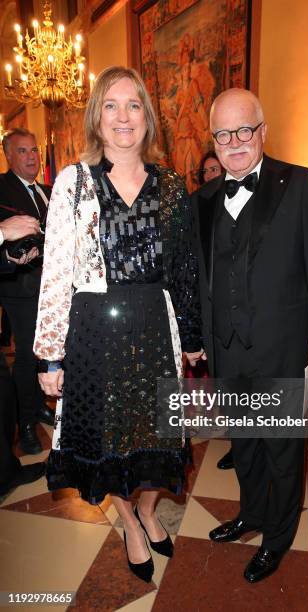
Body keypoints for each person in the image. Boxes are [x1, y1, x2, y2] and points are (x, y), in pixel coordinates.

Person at [34, 66, 203, 583]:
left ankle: (148, 509)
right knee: (109, 440)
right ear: (96, 117)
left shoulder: (172, 184)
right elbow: (57, 269)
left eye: (133, 105)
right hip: (94, 332)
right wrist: (50, 355)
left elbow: (185, 270)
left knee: (160, 436)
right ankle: (129, 519)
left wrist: (192, 338)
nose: (123, 116)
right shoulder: (74, 182)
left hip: (156, 326)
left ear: (147, 117)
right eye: (111, 105)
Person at [191, 88, 308, 583]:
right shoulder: (205, 198)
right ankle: (251, 514)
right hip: (226, 349)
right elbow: (199, 277)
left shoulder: (298, 184)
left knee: (280, 446)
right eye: (223, 134)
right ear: (213, 139)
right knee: (246, 441)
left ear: (263, 131)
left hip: (281, 345)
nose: (234, 143)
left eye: (243, 131)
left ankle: (278, 537)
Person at [0, 128, 54, 455]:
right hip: (19, 288)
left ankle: (38, 405)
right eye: (23, 151)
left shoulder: (48, 190)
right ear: (8, 156)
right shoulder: (1, 187)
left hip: (51, 287)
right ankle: (27, 423)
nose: (32, 156)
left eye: (34, 150)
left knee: (45, 352)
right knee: (25, 357)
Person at [0, 215, 45, 495]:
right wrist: (2, 231)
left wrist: (9, 261)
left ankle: (6, 472)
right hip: (19, 296)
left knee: (4, 395)